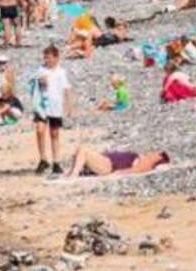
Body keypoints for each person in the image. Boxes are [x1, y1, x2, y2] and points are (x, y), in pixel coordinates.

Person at [33, 45, 73, 175]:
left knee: (54, 133)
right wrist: (40, 82)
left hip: (56, 106)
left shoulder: (61, 72)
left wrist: (69, 106)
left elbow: (66, 89)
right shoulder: (41, 69)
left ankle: (56, 161)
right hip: (42, 105)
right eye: (45, 58)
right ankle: (43, 158)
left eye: (49, 58)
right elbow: (34, 83)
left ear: (56, 58)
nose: (47, 60)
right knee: (40, 130)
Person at [63, 147, 171, 178]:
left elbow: (135, 170)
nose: (153, 153)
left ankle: (73, 175)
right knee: (79, 151)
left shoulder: (149, 162)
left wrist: (119, 173)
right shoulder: (142, 157)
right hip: (106, 161)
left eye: (157, 153)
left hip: (109, 165)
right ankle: (73, 172)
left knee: (83, 150)